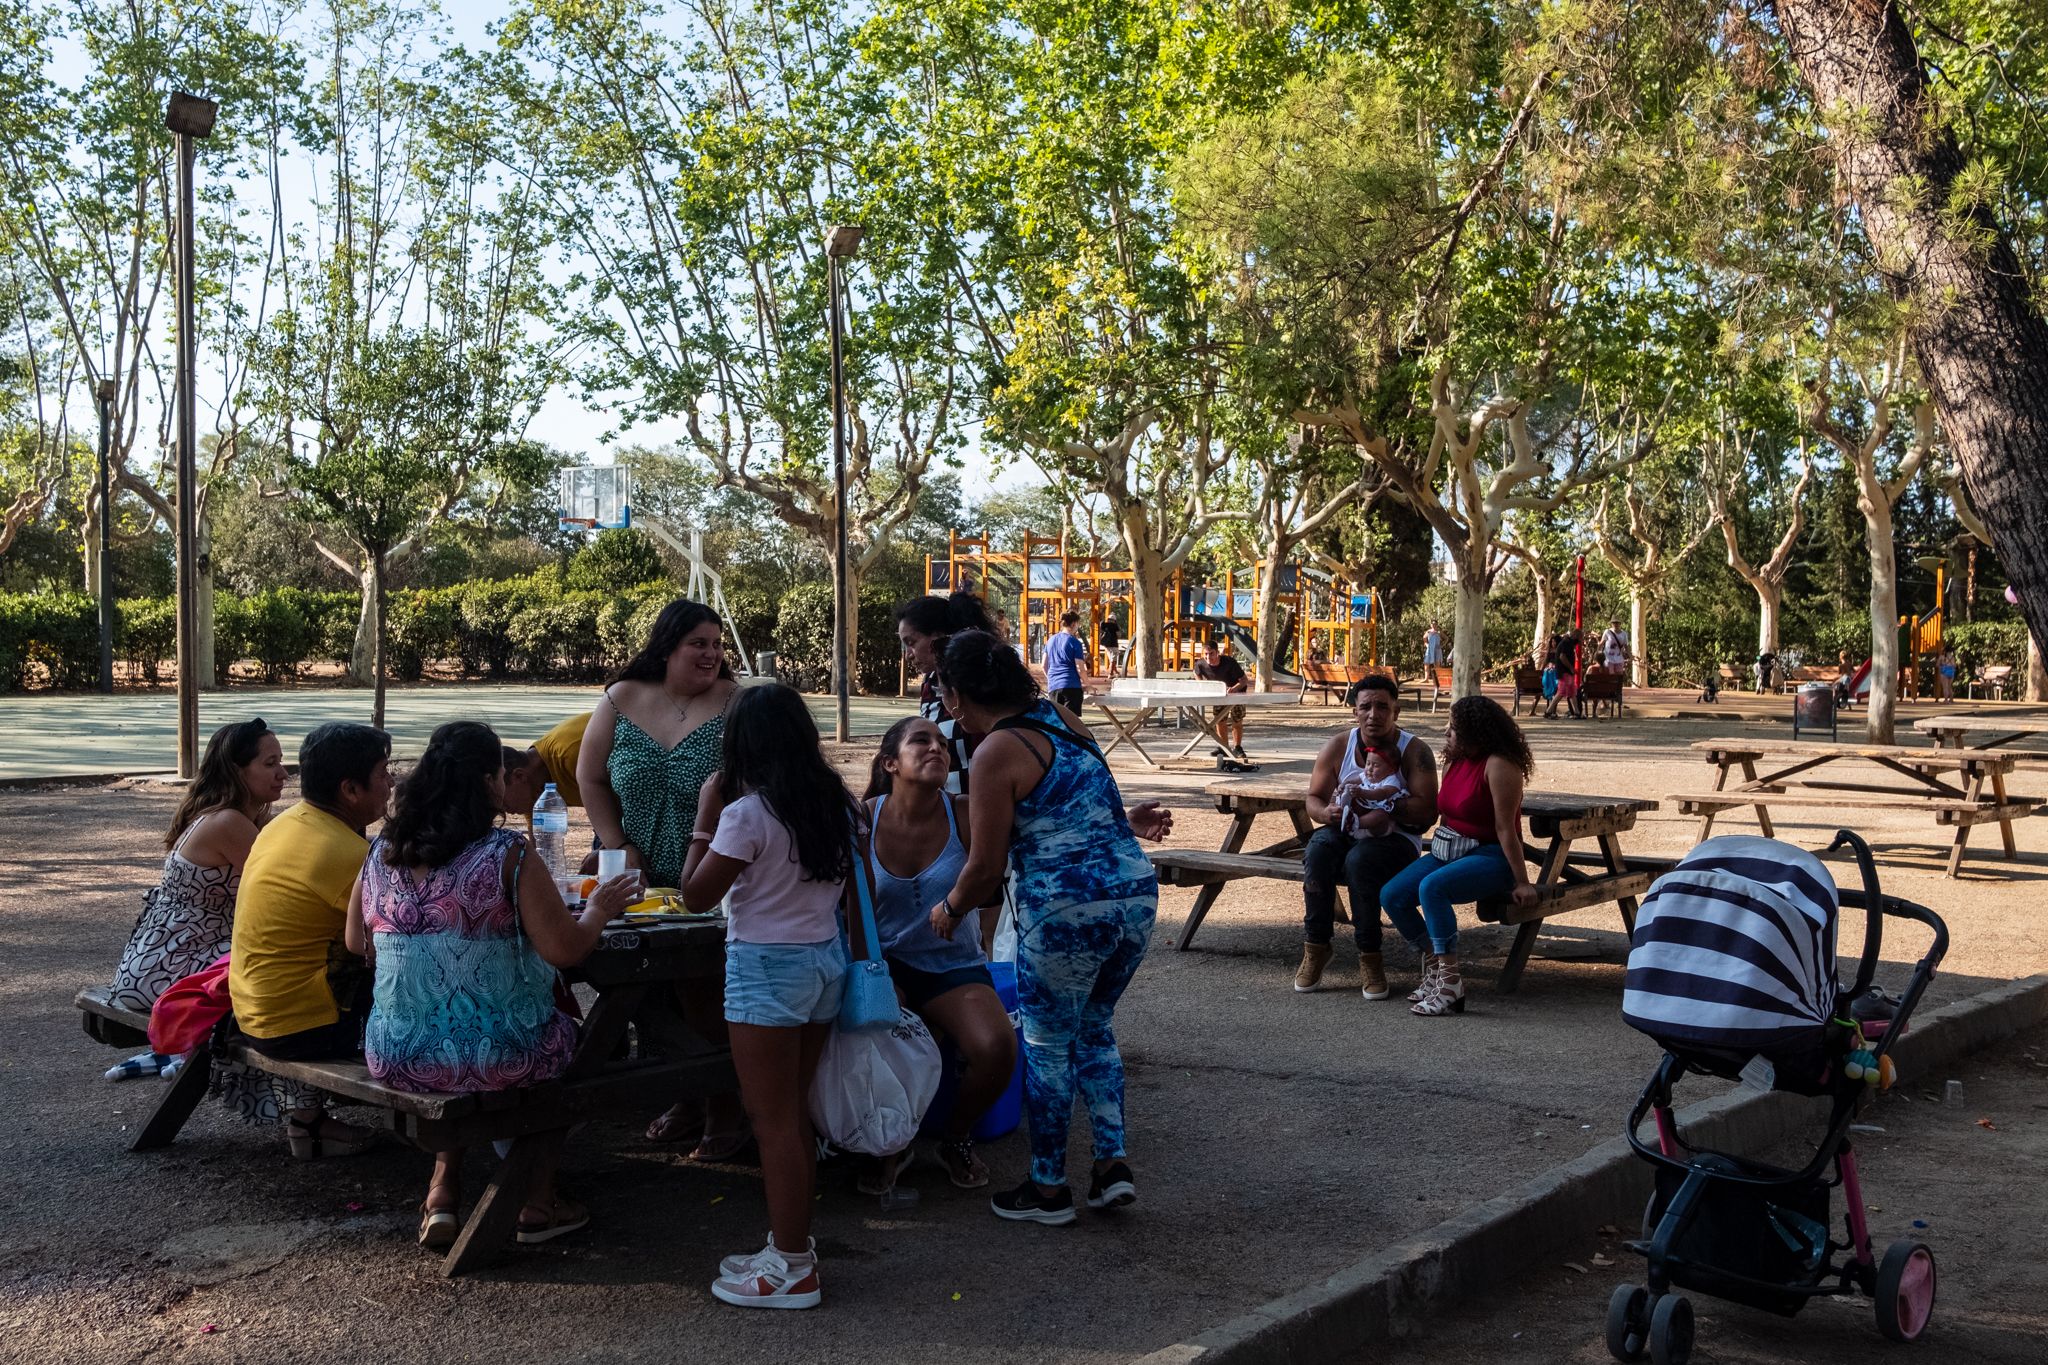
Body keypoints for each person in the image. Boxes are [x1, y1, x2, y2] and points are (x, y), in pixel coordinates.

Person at [343, 722, 638, 1251]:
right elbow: (565, 950)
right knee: (577, 1048)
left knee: (453, 1033)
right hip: (500, 1052)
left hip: (395, 1049)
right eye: (502, 776)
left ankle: (443, 1192)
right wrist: (599, 908)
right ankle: (537, 1201)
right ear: (488, 782)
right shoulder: (506, 854)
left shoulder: (384, 848)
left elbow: (352, 939)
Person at [923, 631, 1173, 1226]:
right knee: (1094, 1028)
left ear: (957, 698)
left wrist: (950, 909)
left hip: (1063, 911)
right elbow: (1100, 805)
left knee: (1046, 1042)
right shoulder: (1062, 718)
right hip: (1133, 896)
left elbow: (985, 865)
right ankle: (1112, 1166)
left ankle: (1048, 1187)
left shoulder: (994, 753)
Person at [681, 683, 858, 1310]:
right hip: (822, 961)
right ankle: (791, 1246)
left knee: (772, 1121)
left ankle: (792, 1267)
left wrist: (706, 813)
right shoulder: (834, 803)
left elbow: (696, 894)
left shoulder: (746, 814)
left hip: (766, 967)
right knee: (795, 1115)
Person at [578, 598, 748, 1158]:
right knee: (647, 987)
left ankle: (724, 1107)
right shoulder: (621, 697)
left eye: (718, 644)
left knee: (708, 990)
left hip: (718, 870)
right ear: (668, 646)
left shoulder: (736, 703)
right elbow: (591, 775)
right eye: (699, 643)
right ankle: (683, 1097)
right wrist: (614, 842)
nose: (712, 654)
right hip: (641, 875)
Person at [859, 716, 1015, 1191]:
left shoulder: (965, 812)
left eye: (942, 744)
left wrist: (1126, 820)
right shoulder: (863, 817)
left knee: (997, 1047)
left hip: (954, 965)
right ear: (890, 763)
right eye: (920, 741)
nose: (936, 749)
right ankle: (894, 1142)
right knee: (879, 1039)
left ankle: (956, 1137)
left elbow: (1034, 832)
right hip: (885, 964)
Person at [227, 721, 392, 1157]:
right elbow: (400, 942)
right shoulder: (345, 855)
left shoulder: (286, 824)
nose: (391, 782)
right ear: (351, 790)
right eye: (384, 772)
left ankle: (311, 1123)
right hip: (299, 1027)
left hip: (252, 1010)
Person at [103, 718, 288, 1078]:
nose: (283, 773)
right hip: (170, 970)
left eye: (281, 761)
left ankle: (176, 1054)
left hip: (147, 966)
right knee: (283, 970)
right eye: (270, 764)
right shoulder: (228, 823)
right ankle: (187, 1053)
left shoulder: (218, 815)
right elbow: (282, 893)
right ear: (237, 772)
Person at [1378, 696, 1538, 1016]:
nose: (1447, 733)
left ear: (1477, 732)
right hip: (1450, 850)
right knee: (1392, 894)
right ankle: (1437, 967)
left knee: (1432, 888)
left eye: (1455, 728)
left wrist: (1522, 882)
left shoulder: (1500, 766)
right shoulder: (1454, 759)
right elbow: (1447, 817)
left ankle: (1450, 984)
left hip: (1491, 856)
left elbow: (1506, 829)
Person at [1297, 676, 1439, 998]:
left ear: (1396, 711)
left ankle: (1370, 956)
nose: (1373, 714)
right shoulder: (1337, 746)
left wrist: (1385, 809)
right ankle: (1316, 947)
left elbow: (1428, 812)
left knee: (1360, 861)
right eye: (1365, 707)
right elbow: (1313, 799)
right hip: (1346, 828)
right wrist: (1325, 814)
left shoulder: (1415, 751)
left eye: (1382, 707)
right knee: (1318, 850)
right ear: (1354, 711)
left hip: (1396, 839)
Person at [897, 591, 999, 795]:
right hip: (949, 813)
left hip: (983, 809)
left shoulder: (977, 683)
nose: (908, 655)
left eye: (912, 642)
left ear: (939, 637)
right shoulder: (931, 683)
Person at [500, 712, 592, 817]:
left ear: (519, 776)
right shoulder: (532, 788)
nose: (502, 810)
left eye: (503, 801)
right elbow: (538, 830)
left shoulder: (569, 755)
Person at [1195, 638, 1251, 761]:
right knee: (1219, 720)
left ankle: (1237, 747)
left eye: (1211, 654)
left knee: (1237, 720)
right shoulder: (1200, 664)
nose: (1209, 657)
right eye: (1206, 654)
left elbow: (1244, 680)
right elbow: (1196, 673)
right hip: (1219, 694)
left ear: (1217, 653)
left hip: (1237, 693)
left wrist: (1233, 689)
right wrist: (1202, 685)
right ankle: (1224, 747)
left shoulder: (1229, 662)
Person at [1043, 611, 1089, 716]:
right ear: (1073, 624)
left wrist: (1052, 678)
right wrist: (1088, 685)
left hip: (1054, 686)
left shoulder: (1050, 640)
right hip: (1071, 686)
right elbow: (1080, 668)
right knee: (1071, 722)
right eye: (1078, 624)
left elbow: (1044, 665)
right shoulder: (1075, 642)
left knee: (1057, 721)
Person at [1098, 612, 1125, 680]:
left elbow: (1100, 629)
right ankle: (1110, 674)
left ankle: (1115, 671)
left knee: (1112, 660)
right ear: (1114, 620)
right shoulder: (1115, 626)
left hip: (1106, 645)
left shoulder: (1104, 624)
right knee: (1113, 660)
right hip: (1114, 644)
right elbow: (1119, 635)